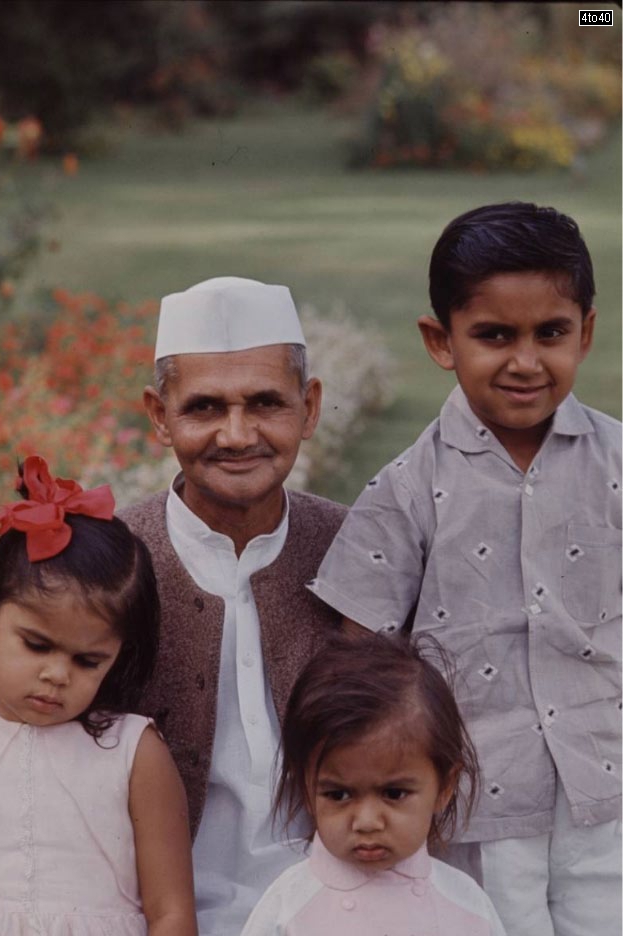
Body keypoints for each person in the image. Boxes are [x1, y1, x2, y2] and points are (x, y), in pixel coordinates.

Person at [311, 202, 622, 935]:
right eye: (492, 335)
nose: (524, 360)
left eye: (549, 333)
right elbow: (358, 666)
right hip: (479, 811)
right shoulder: (407, 488)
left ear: (585, 330)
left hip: (606, 792)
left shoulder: (616, 467)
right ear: (439, 340)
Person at [120, 276, 348, 936]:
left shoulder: (358, 550)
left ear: (308, 407)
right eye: (205, 408)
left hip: (332, 907)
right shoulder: (109, 562)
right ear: (158, 415)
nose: (237, 433)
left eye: (265, 403)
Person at [0, 454, 197, 936]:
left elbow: (171, 912)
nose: (56, 675)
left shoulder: (133, 751)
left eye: (87, 660)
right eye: (36, 644)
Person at [241, 632, 506, 935]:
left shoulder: (467, 907)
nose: (366, 822)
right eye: (338, 794)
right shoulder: (287, 906)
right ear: (307, 789)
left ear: (445, 787)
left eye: (394, 793)